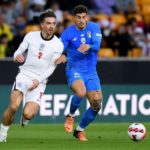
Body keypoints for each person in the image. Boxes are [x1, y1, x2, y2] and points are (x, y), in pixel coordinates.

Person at [0, 10, 63, 142]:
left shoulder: (58, 44)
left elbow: (52, 67)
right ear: (42, 24)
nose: (51, 26)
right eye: (48, 23)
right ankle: (2, 134)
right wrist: (16, 56)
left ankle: (25, 118)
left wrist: (38, 80)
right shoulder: (31, 36)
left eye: (54, 23)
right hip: (24, 75)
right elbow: (18, 51)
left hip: (40, 80)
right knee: (13, 107)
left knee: (28, 113)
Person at [56, 5, 102, 141]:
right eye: (78, 17)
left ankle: (79, 130)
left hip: (91, 72)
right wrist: (62, 55)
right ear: (73, 18)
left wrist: (90, 46)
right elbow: (59, 48)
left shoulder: (94, 27)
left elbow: (97, 46)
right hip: (74, 69)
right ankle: (70, 115)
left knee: (97, 104)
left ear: (86, 17)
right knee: (81, 92)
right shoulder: (68, 33)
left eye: (84, 17)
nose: (81, 20)